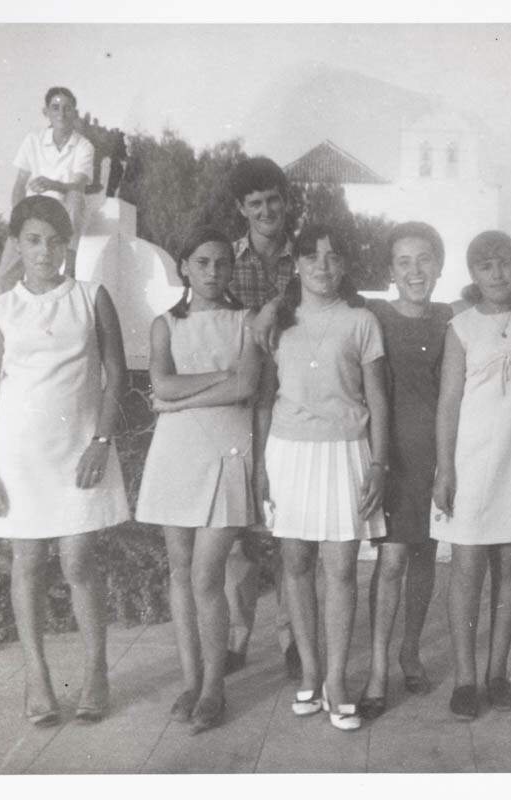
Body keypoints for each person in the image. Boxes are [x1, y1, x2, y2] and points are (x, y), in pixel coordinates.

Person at [0, 195, 129, 726]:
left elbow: (117, 378)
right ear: (17, 244)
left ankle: (96, 670)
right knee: (29, 563)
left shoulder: (90, 297)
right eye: (33, 240)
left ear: (67, 245)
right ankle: (38, 679)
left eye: (54, 241)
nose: (44, 251)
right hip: (20, 458)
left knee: (79, 560)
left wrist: (101, 442)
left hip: (81, 453)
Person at [255, 224, 388, 731]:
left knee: (340, 568)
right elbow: (266, 399)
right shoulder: (277, 322)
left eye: (333, 258)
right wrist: (262, 471)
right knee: (296, 561)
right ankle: (308, 672)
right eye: (312, 257)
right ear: (296, 264)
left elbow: (377, 400)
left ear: (345, 266)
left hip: (346, 453)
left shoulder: (362, 320)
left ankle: (336, 678)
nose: (323, 267)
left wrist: (379, 462)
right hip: (288, 453)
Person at [135, 227, 262, 734]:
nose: (213, 272)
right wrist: (219, 381)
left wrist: (174, 401)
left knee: (208, 575)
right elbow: (160, 381)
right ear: (184, 267)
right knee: (181, 573)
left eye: (223, 263)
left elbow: (248, 385)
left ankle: (214, 687)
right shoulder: (164, 325)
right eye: (203, 262)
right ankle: (191, 681)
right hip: (175, 456)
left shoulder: (247, 321)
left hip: (226, 451)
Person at [432, 230, 511, 719]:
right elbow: (448, 403)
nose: (496, 273)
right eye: (485, 266)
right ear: (473, 274)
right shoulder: (460, 327)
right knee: (466, 571)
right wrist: (444, 468)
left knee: (510, 569)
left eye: (504, 263)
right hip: (471, 462)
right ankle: (464, 678)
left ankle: (498, 673)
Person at [358, 222, 450, 719]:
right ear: (391, 271)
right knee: (391, 561)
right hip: (389, 456)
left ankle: (410, 653)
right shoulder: (373, 314)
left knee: (424, 559)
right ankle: (377, 670)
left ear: (438, 264)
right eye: (404, 262)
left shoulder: (451, 317)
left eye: (424, 259)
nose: (415, 271)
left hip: (436, 457)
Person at [223, 157, 299, 679]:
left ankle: (292, 640)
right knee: (238, 533)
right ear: (241, 209)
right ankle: (236, 638)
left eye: (273, 199)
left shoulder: (309, 256)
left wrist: (282, 300)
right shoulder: (225, 259)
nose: (267, 210)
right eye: (255, 204)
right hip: (241, 410)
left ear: (285, 200)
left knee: (291, 528)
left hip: (295, 409)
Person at [0, 87, 95, 294]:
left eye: (67, 109)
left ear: (75, 113)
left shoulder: (84, 146)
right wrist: (18, 220)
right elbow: (19, 185)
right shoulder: (33, 140)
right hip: (33, 212)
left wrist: (52, 184)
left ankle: (70, 262)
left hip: (63, 215)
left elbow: (79, 185)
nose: (61, 114)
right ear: (45, 112)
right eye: (55, 108)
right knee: (3, 279)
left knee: (75, 197)